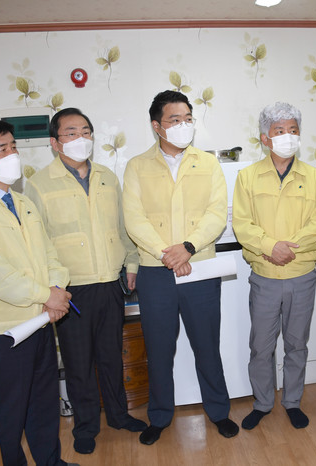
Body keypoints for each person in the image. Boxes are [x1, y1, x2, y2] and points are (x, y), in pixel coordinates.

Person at [24, 108, 146, 455]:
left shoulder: (107, 177)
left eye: (86, 131)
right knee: (79, 363)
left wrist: (132, 262)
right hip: (70, 289)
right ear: (55, 142)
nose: (81, 139)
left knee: (111, 357)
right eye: (71, 132)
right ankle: (86, 426)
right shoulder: (39, 184)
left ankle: (119, 416)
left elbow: (122, 226)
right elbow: (37, 242)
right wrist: (51, 287)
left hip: (109, 282)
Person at [122, 90, 238, 445]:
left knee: (207, 345)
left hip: (199, 267)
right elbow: (134, 219)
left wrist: (187, 248)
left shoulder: (208, 163)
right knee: (159, 349)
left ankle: (219, 411)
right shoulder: (137, 166)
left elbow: (216, 214)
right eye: (175, 120)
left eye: (188, 119)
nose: (183, 125)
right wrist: (166, 254)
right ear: (156, 126)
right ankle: (159, 416)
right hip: (155, 271)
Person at [0, 119, 77, 466]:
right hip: (6, 331)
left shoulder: (23, 202)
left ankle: (51, 462)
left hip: (41, 321)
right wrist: (46, 295)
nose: (12, 154)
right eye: (2, 148)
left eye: (13, 146)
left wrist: (56, 289)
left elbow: (50, 254)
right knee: (8, 414)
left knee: (43, 405)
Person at [232, 102, 316, 430]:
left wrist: (288, 249)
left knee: (296, 345)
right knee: (260, 346)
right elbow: (242, 224)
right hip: (264, 277)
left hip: (301, 275)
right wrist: (269, 247)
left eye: (293, 130)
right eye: (279, 130)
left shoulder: (314, 178)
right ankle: (262, 403)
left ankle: (292, 401)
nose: (288, 136)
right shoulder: (248, 177)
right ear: (265, 138)